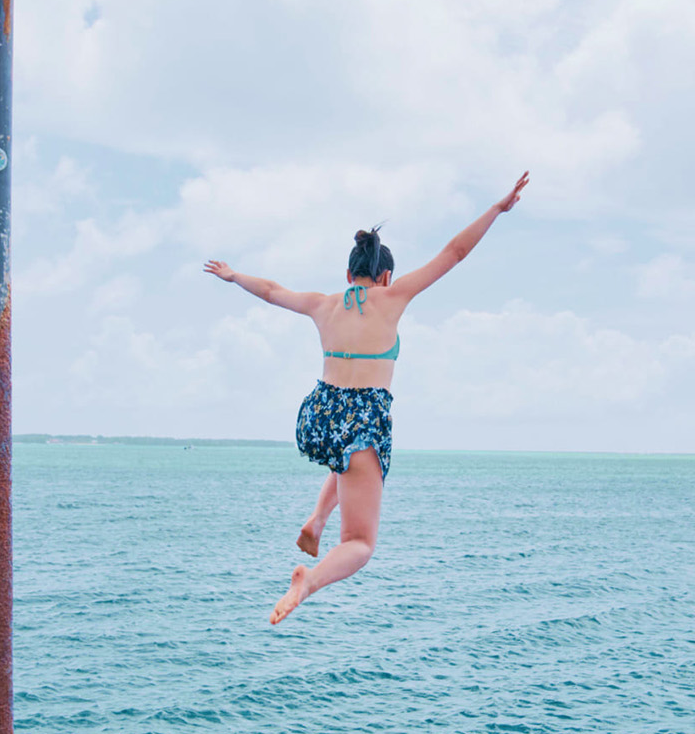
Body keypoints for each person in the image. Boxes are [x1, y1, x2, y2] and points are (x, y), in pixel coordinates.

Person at [204, 172, 530, 623]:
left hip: (318, 417)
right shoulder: (393, 296)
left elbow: (274, 292)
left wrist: (234, 275)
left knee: (348, 460)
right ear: (386, 275)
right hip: (362, 420)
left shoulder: (324, 303)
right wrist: (496, 209)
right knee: (360, 543)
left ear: (348, 274)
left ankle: (316, 521)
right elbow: (454, 253)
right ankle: (309, 581)